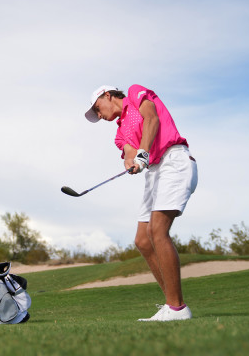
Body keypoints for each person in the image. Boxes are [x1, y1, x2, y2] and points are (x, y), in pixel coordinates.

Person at [84, 85, 198, 321]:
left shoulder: (136, 94)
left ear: (108, 95)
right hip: (154, 171)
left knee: (157, 230)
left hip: (173, 160)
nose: (99, 115)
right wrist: (132, 162)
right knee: (143, 240)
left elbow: (152, 119)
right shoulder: (119, 132)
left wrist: (143, 152)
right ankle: (172, 304)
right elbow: (128, 151)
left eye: (97, 109)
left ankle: (177, 308)